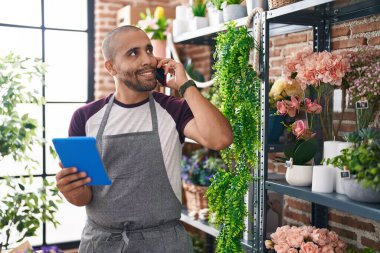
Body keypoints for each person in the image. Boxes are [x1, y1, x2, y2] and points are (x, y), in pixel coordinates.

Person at [55, 25, 233, 253]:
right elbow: (83, 197)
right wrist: (70, 188)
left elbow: (220, 139)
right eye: (133, 53)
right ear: (111, 67)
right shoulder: (86, 117)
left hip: (164, 244)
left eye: (149, 50)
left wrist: (185, 85)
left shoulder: (173, 109)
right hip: (101, 244)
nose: (148, 59)